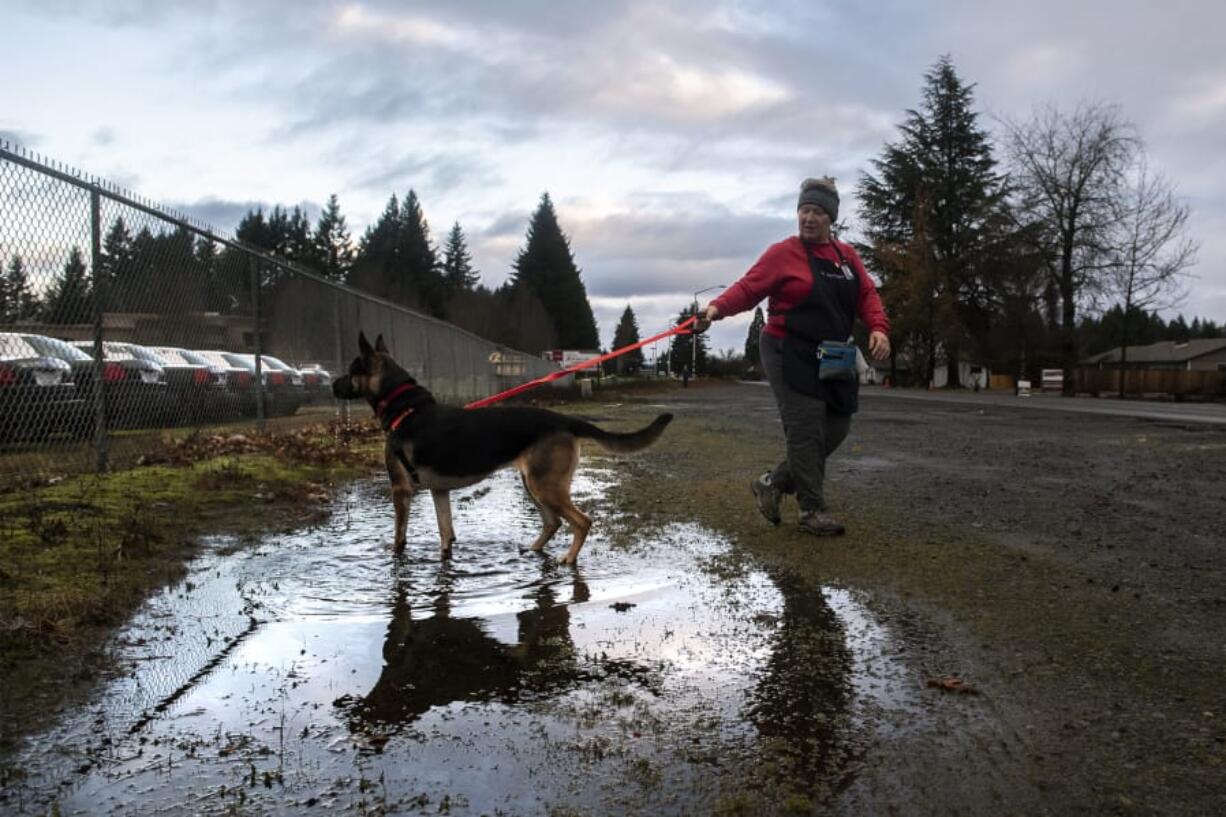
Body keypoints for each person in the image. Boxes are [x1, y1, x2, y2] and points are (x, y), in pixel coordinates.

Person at [695, 177, 890, 536]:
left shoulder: (846, 257)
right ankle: (811, 510)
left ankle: (772, 483)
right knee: (806, 428)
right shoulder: (783, 253)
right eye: (804, 211)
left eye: (817, 212)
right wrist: (714, 310)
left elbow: (867, 294)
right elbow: (748, 288)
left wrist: (878, 327)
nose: (809, 218)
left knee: (837, 425)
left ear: (831, 218)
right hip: (788, 349)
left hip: (834, 353)